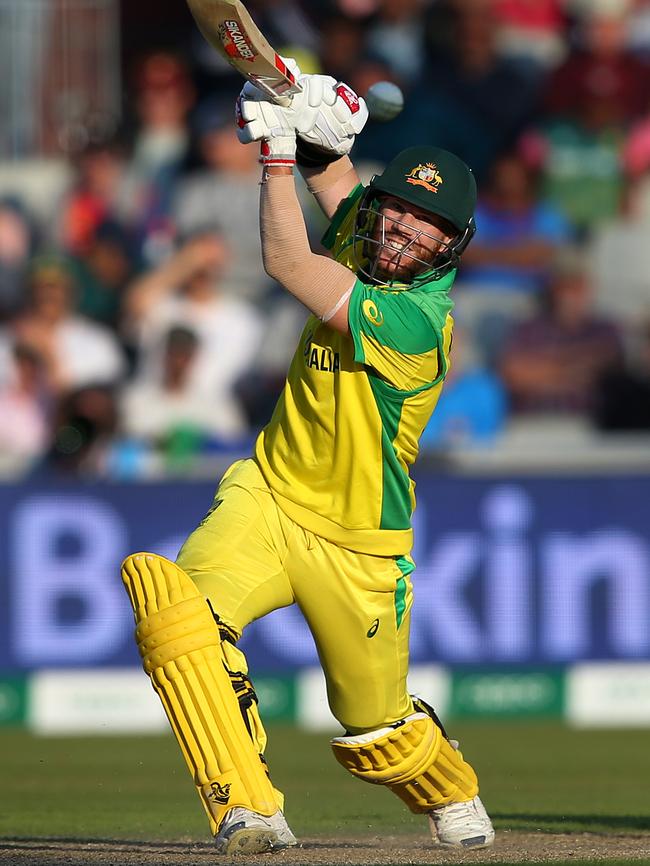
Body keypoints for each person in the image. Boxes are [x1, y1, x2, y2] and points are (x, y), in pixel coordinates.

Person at [120, 65, 495, 855]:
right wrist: (313, 122)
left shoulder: (419, 322)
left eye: (425, 224)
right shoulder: (370, 236)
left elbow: (289, 264)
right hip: (267, 494)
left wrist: (278, 157)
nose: (400, 230)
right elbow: (340, 186)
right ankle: (247, 807)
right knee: (178, 613)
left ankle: (450, 785)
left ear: (449, 245)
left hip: (359, 542)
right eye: (396, 209)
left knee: (375, 733)